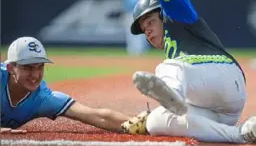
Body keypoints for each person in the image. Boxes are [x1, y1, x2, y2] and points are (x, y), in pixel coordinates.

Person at [121, 0, 256, 144]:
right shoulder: (174, 50)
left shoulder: (177, 15)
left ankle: (173, 95)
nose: (147, 31)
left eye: (150, 22)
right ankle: (240, 133)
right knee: (155, 121)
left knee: (166, 67)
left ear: (163, 15)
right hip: (224, 112)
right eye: (144, 30)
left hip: (225, 75)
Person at [0, 36, 148, 134]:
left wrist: (143, 125)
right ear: (11, 68)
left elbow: (98, 116)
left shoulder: (43, 98)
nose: (35, 75)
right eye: (28, 68)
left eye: (40, 67)